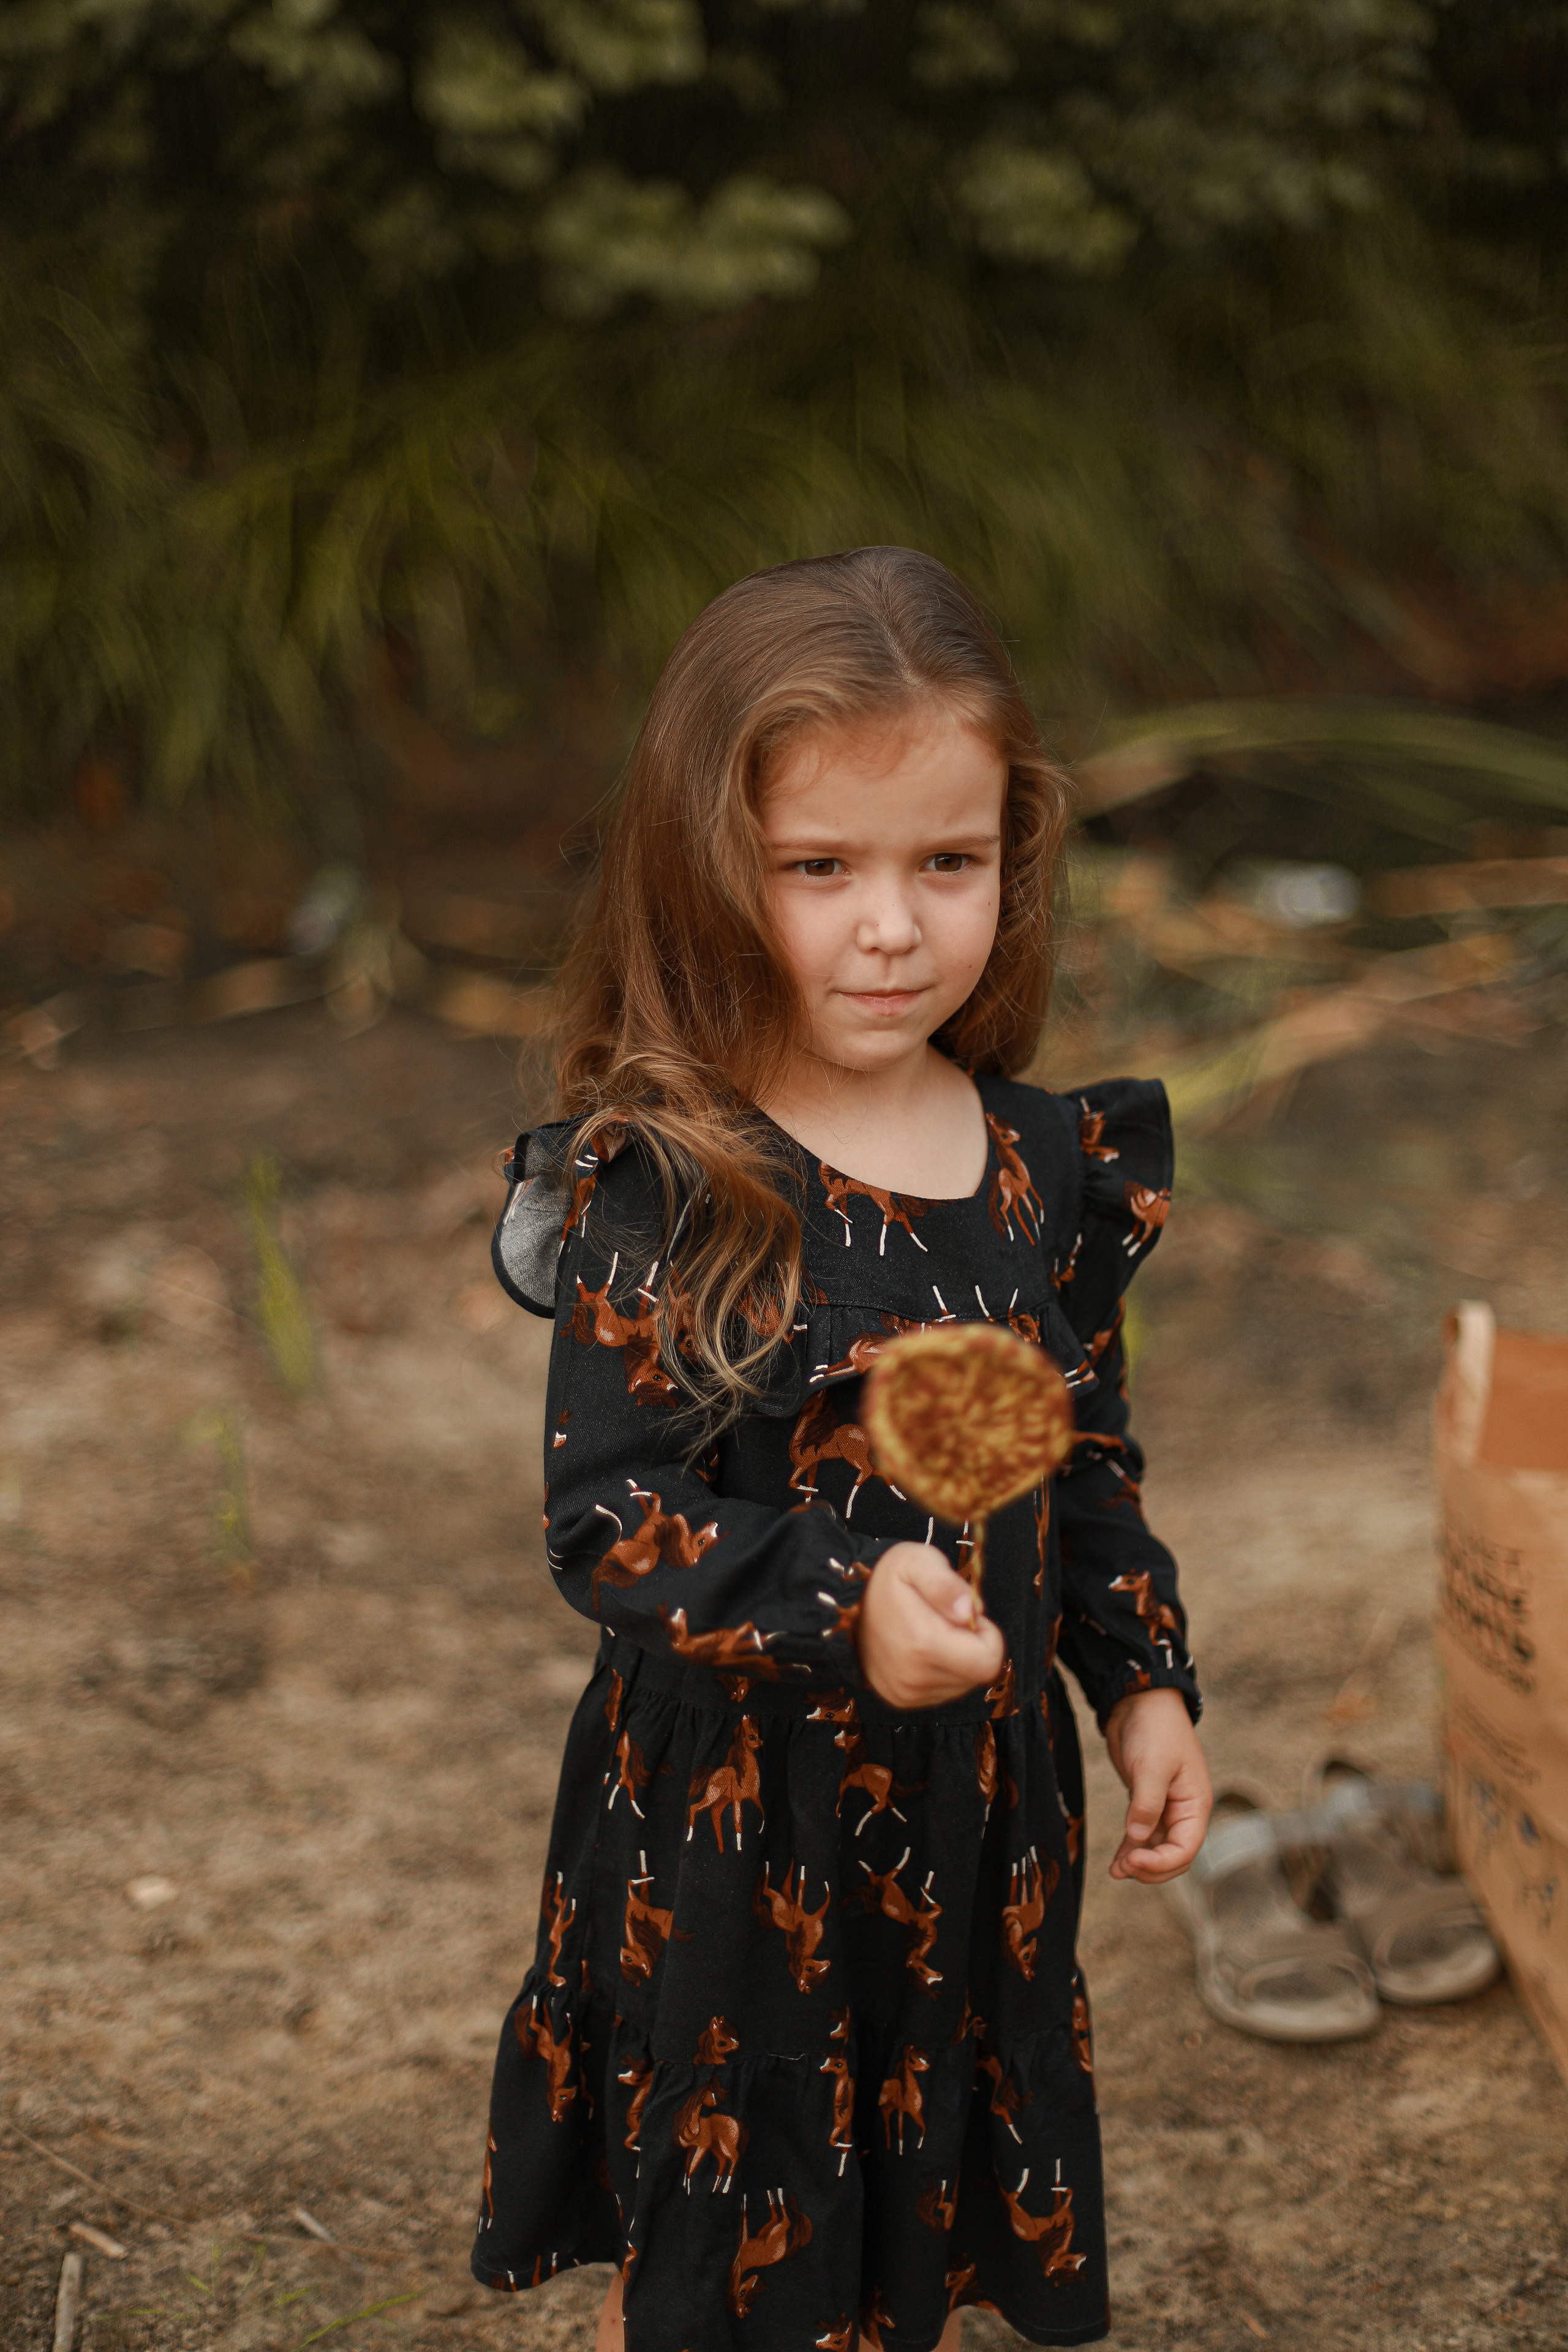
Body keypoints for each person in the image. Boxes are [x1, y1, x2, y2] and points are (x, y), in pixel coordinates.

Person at [472, 548, 1212, 2351]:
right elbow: (610, 1521)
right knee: (756, 2206)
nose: (893, 926)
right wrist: (840, 1592)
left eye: (944, 863)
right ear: (709, 872)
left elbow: (1082, 1453)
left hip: (975, 1813)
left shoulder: (1043, 1164)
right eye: (821, 869)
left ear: (1009, 863)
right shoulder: (678, 1178)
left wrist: (1142, 1684)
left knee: (925, 2156)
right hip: (748, 1827)